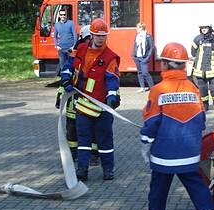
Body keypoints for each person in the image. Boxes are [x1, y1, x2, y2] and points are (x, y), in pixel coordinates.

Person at [141, 42, 214, 210]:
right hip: (190, 149)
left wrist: (145, 142)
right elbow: (201, 119)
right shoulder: (192, 88)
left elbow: (152, 122)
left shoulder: (158, 90)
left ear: (165, 64)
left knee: (159, 185)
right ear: (184, 65)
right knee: (196, 184)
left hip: (164, 151)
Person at [60, 18, 120, 181]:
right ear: (91, 35)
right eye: (98, 35)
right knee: (84, 139)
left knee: (105, 140)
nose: (101, 38)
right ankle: (82, 170)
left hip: (102, 106)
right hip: (83, 104)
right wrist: (66, 80)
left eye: (104, 36)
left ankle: (108, 169)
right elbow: (68, 66)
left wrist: (112, 97)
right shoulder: (80, 50)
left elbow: (112, 79)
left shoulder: (109, 57)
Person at [191, 23, 214, 111]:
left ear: (209, 28)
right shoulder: (197, 39)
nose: (204, 29)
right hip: (200, 68)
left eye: (205, 28)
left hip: (212, 67)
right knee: (202, 87)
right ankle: (204, 105)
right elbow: (193, 52)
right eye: (202, 28)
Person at [132, 22, 155, 93]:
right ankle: (142, 87)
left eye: (137, 27)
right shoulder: (137, 36)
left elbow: (151, 47)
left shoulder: (148, 36)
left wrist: (147, 58)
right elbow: (135, 45)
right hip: (137, 57)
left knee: (145, 73)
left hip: (144, 58)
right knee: (140, 73)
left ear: (141, 28)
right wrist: (133, 55)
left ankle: (152, 88)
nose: (136, 29)